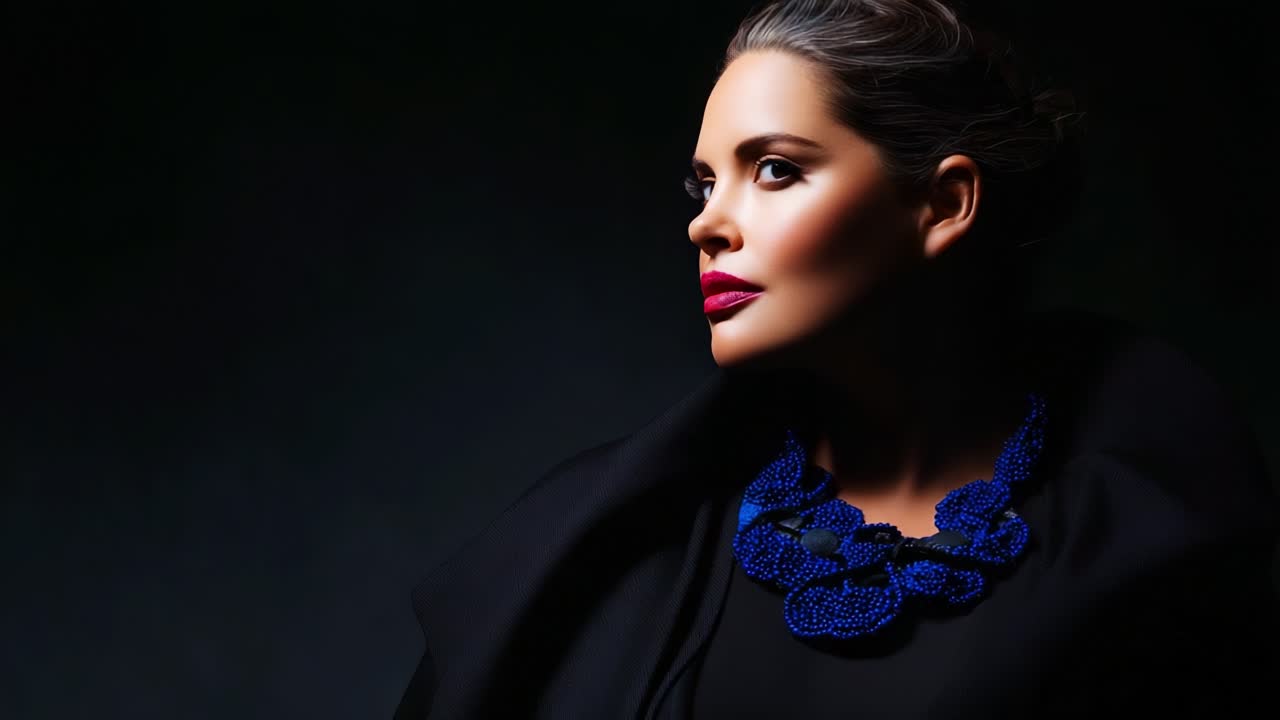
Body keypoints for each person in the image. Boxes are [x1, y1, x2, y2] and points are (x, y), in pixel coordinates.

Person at [393, 1, 1280, 717]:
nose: (708, 222)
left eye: (774, 169)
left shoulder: (1148, 539)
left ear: (944, 203)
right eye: (706, 183)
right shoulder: (595, 544)